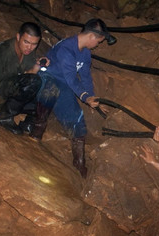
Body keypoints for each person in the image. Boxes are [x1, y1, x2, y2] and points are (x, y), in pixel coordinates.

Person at [35, 18, 116, 178]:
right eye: (99, 41)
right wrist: (85, 97)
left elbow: (85, 76)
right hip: (48, 78)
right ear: (92, 36)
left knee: (77, 118)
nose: (98, 44)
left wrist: (92, 98)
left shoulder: (85, 52)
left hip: (64, 84)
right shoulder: (66, 49)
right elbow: (72, 78)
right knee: (50, 92)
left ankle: (79, 163)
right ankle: (37, 131)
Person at [0, 22, 49, 136]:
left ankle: (28, 122)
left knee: (45, 96)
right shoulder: (3, 53)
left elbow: (27, 75)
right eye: (26, 42)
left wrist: (37, 66)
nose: (29, 47)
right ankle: (4, 117)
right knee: (35, 82)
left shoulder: (27, 51)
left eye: (34, 44)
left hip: (11, 90)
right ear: (18, 37)